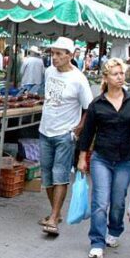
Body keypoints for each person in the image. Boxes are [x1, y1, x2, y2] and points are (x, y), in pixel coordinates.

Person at [78, 58, 130, 258]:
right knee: (100, 201)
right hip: (101, 158)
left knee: (117, 201)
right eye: (115, 74)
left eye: (122, 73)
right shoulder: (97, 104)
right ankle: (97, 241)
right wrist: (82, 158)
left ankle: (115, 230)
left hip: (125, 160)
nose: (120, 77)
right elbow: (87, 134)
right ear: (106, 78)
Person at [38, 37, 94, 236]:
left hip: (64, 133)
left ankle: (53, 217)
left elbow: (89, 108)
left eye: (59, 54)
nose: (55, 58)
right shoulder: (49, 71)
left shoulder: (79, 79)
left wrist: (79, 127)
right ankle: (56, 212)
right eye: (53, 53)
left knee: (59, 173)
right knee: (46, 174)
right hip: (45, 130)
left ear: (70, 55)